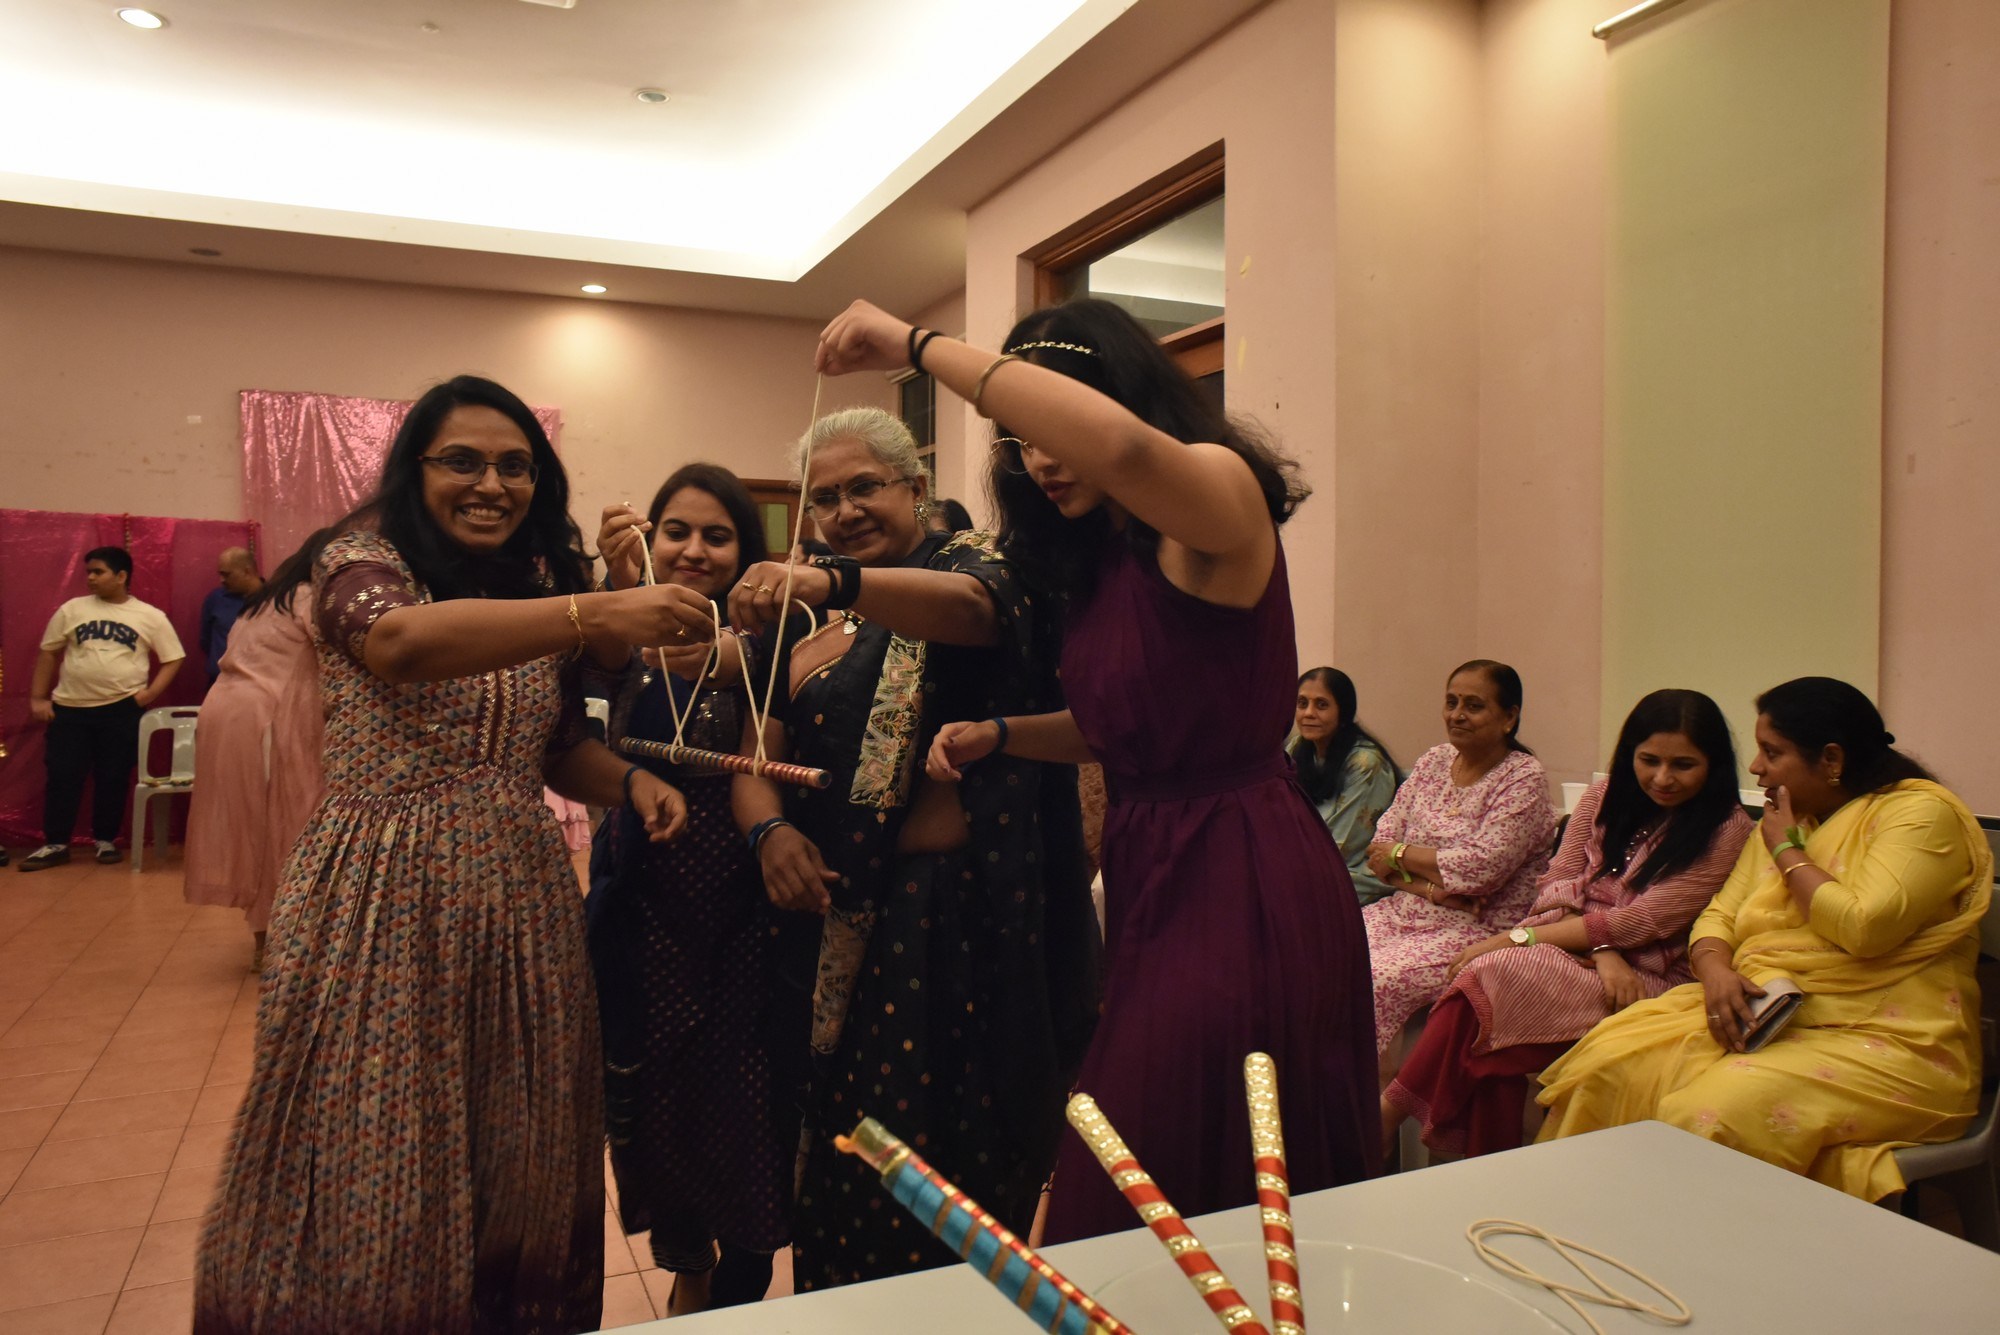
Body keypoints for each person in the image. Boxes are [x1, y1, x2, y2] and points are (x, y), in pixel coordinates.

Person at [817, 297, 1379, 1244]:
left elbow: (1119, 449)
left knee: (1146, 1168)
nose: (1040, 457)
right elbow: (1129, 725)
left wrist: (914, 344)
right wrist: (1003, 733)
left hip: (1245, 871)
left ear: (1127, 400)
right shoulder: (1111, 562)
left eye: (1052, 424)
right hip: (1153, 866)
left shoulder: (1220, 494)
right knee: (1166, 1171)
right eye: (1020, 441)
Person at [195, 375, 705, 1335]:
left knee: (518, 1136)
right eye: (462, 461)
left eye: (516, 466)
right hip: (381, 893)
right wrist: (596, 611)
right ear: (414, 468)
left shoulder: (534, 585)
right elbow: (398, 644)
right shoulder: (361, 561)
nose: (492, 485)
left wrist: (632, 782)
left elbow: (553, 747)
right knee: (376, 1132)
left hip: (521, 896)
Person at [727, 406, 1099, 1289]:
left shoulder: (969, 567)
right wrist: (770, 830)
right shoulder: (804, 622)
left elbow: (977, 613)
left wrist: (834, 579)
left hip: (951, 933)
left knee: (944, 1169)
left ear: (916, 487)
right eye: (824, 500)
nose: (845, 511)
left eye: (864, 487)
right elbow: (755, 755)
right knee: (845, 1165)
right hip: (828, 926)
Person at [1538, 678, 1991, 1200]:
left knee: (1709, 1113)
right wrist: (1716, 972)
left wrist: (1786, 851)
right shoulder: (1792, 819)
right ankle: (1587, 1220)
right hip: (1772, 1015)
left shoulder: (1919, 816)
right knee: (1611, 1063)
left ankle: (1684, 1245)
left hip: (1893, 1040)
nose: (1756, 767)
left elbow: (1864, 928)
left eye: (1772, 752)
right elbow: (1718, 917)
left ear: (1831, 759)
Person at [582, 464, 796, 1315]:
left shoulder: (773, 636)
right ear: (649, 537)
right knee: (661, 1094)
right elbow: (577, 719)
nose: (695, 550)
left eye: (717, 535)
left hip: (748, 906)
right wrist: (618, 594)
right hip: (644, 901)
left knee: (745, 1093)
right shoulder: (613, 626)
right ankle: (688, 1260)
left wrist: (729, 652)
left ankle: (744, 1266)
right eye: (677, 530)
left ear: (745, 549)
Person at [1382, 689, 1753, 1159]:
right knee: (1488, 1041)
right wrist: (1603, 950)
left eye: (1683, 765)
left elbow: (1645, 920)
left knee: (1490, 972)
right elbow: (1555, 883)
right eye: (1649, 760)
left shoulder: (1727, 829)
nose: (1662, 778)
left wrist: (1514, 937)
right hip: (1586, 954)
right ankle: (1471, 1163)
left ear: (1713, 764)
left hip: (1649, 975)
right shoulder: (1604, 796)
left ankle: (1387, 1118)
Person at [1361, 660, 1557, 1065]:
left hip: (1476, 928)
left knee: (1374, 976)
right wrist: (1434, 889)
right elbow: (1377, 848)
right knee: (1324, 949)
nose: (1457, 715)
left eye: (1473, 705)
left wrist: (1401, 854)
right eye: (1451, 702)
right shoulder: (1434, 760)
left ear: (1509, 718)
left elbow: (1481, 869)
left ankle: (1369, 1097)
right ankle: (1309, 1084)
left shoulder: (1523, 778)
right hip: (1404, 911)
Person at [181, 537, 328, 971]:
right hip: (269, 717)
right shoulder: (308, 598)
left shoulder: (262, 604)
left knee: (257, 834)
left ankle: (267, 941)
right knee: (289, 829)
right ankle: (288, 943)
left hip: (226, 715)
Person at [20, 546, 185, 871]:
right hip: (70, 709)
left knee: (113, 776)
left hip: (121, 710)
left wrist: (150, 694)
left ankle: (105, 840)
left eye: (98, 572)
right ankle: (55, 843)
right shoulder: (72, 610)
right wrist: (38, 698)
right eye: (89, 573)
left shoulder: (149, 616)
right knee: (63, 775)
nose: (91, 578)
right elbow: (48, 652)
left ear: (121, 576)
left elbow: (174, 657)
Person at [1291, 666, 1400, 905]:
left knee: (1286, 889)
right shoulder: (1297, 750)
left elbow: (1341, 847)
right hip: (1306, 858)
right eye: (1302, 703)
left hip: (1355, 869)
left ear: (1343, 711)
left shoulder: (1365, 763)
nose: (1308, 713)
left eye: (1321, 705)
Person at [199, 547, 264, 684]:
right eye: (220, 574)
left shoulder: (273, 599)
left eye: (226, 574)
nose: (222, 580)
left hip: (259, 684)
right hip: (220, 682)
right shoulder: (216, 599)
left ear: (247, 572)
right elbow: (206, 641)